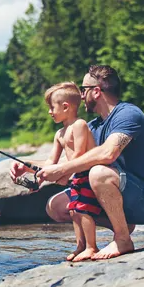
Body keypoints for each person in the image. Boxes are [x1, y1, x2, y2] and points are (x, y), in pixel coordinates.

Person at [10, 65, 144, 260]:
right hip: (123, 193)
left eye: (83, 89)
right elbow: (71, 161)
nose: (80, 95)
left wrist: (63, 170)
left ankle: (122, 239)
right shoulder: (93, 126)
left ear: (96, 91)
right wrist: (27, 166)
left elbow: (108, 153)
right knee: (56, 205)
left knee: (98, 173)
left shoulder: (128, 114)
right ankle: (120, 224)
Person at [42, 82, 101, 262]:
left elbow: (79, 152)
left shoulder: (79, 125)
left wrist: (66, 174)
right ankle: (80, 246)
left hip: (87, 174)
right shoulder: (59, 134)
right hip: (75, 175)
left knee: (83, 210)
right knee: (74, 211)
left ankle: (92, 247)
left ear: (66, 107)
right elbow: (51, 161)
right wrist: (39, 177)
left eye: (52, 107)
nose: (50, 112)